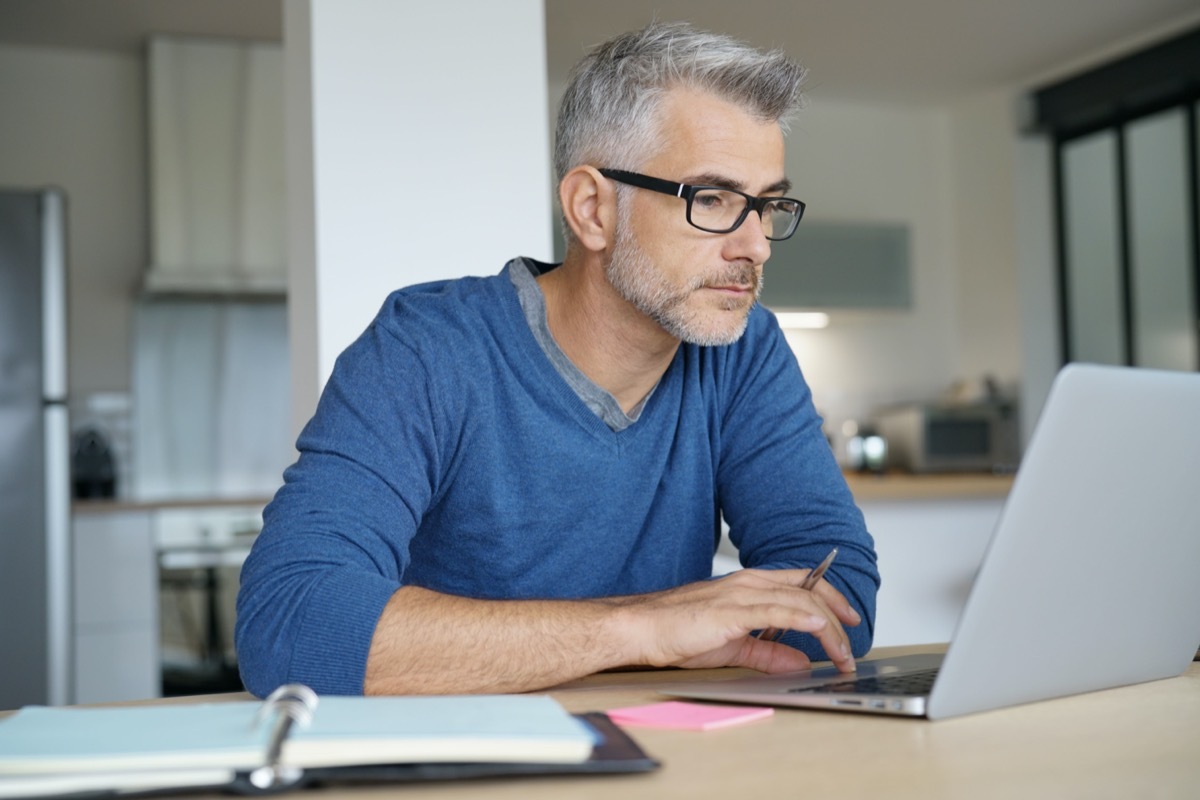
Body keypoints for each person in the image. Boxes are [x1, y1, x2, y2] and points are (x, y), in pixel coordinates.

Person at [235, 21, 879, 698]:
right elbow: (290, 625)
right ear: (592, 209)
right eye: (713, 199)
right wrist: (642, 630)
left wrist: (682, 635)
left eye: (767, 205)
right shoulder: (426, 349)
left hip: (673, 752)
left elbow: (838, 593)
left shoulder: (744, 351)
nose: (757, 245)